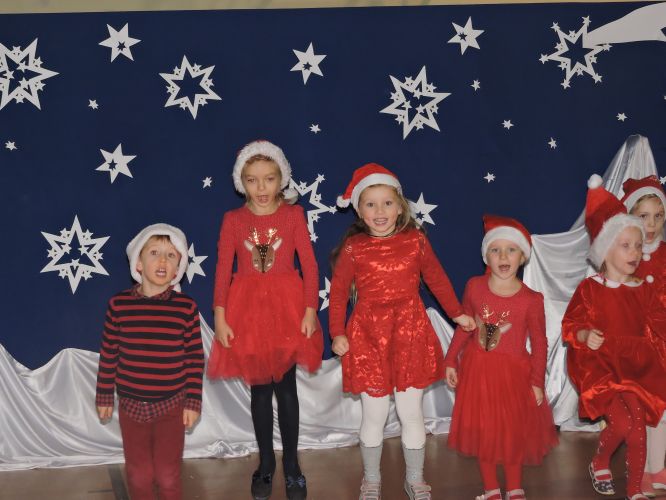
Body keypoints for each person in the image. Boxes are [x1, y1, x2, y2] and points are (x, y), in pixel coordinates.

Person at [328, 163, 475, 500]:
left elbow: (437, 279)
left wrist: (457, 314)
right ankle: (371, 479)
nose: (380, 211)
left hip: (410, 332)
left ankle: (415, 478)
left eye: (387, 203)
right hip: (368, 336)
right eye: (371, 204)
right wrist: (337, 332)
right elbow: (338, 294)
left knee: (411, 412)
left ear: (400, 207)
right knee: (374, 414)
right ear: (359, 211)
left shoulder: (415, 241)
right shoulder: (354, 248)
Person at [207, 140, 323, 500]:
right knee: (260, 390)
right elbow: (223, 269)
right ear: (241, 181)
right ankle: (266, 463)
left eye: (269, 179)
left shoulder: (293, 215)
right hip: (249, 314)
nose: (261, 188)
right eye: (252, 180)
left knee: (286, 389)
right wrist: (221, 317)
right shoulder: (234, 220)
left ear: (281, 179)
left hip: (287, 311)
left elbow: (310, 264)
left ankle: (292, 465)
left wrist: (309, 310)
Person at [562, 175, 666, 500]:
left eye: (638, 245)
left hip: (634, 369)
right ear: (605, 250)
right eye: (625, 245)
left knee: (638, 428)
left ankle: (634, 490)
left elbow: (658, 324)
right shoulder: (590, 289)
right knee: (621, 424)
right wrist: (584, 334)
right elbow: (571, 324)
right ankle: (600, 460)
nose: (635, 252)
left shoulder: (643, 289)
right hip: (601, 368)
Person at [444, 215, 558, 500]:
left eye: (511, 250)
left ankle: (515, 486)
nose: (503, 256)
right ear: (486, 256)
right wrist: (450, 360)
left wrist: (537, 382)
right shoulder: (474, 286)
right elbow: (466, 325)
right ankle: (491, 488)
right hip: (478, 372)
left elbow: (540, 343)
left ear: (523, 256)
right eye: (496, 250)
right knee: (485, 431)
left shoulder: (531, 299)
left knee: (511, 432)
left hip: (514, 376)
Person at [95, 223, 204, 500]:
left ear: (178, 268)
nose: (162, 261)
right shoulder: (119, 305)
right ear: (138, 263)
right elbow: (109, 353)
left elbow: (194, 359)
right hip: (131, 407)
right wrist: (104, 395)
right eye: (154, 252)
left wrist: (193, 401)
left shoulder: (186, 308)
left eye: (171, 255)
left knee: (168, 475)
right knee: (139, 475)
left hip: (171, 406)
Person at [621, 175, 666, 496]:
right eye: (643, 216)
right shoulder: (623, 255)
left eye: (658, 216)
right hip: (636, 346)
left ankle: (657, 466)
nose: (651, 224)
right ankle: (640, 468)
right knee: (639, 410)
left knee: (662, 410)